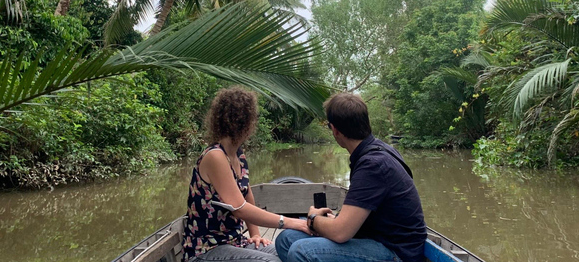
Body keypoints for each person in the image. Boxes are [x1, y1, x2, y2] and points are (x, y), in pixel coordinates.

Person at [275, 93, 427, 262]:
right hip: (374, 237)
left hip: (396, 252)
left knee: (301, 251)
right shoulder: (372, 152)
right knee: (286, 239)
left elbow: (340, 233)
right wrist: (337, 221)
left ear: (335, 130)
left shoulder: (373, 164)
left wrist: (313, 219)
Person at [182, 86, 311, 262]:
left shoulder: (238, 155)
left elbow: (246, 195)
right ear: (246, 123)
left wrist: (255, 233)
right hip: (206, 249)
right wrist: (291, 222)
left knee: (291, 253)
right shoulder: (215, 156)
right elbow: (239, 208)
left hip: (235, 242)